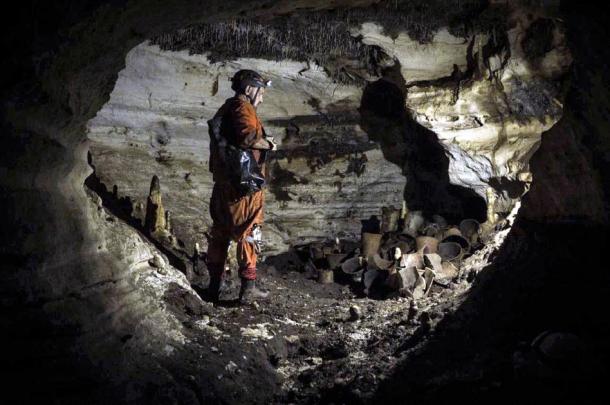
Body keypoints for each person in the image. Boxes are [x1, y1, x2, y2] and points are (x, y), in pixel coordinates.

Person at [206, 69, 276, 303]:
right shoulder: (242, 108)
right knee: (249, 231)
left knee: (221, 233)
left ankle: (214, 286)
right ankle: (248, 288)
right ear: (249, 89)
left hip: (226, 183)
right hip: (243, 185)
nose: (262, 97)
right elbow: (248, 138)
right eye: (261, 91)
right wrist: (268, 144)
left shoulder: (227, 108)